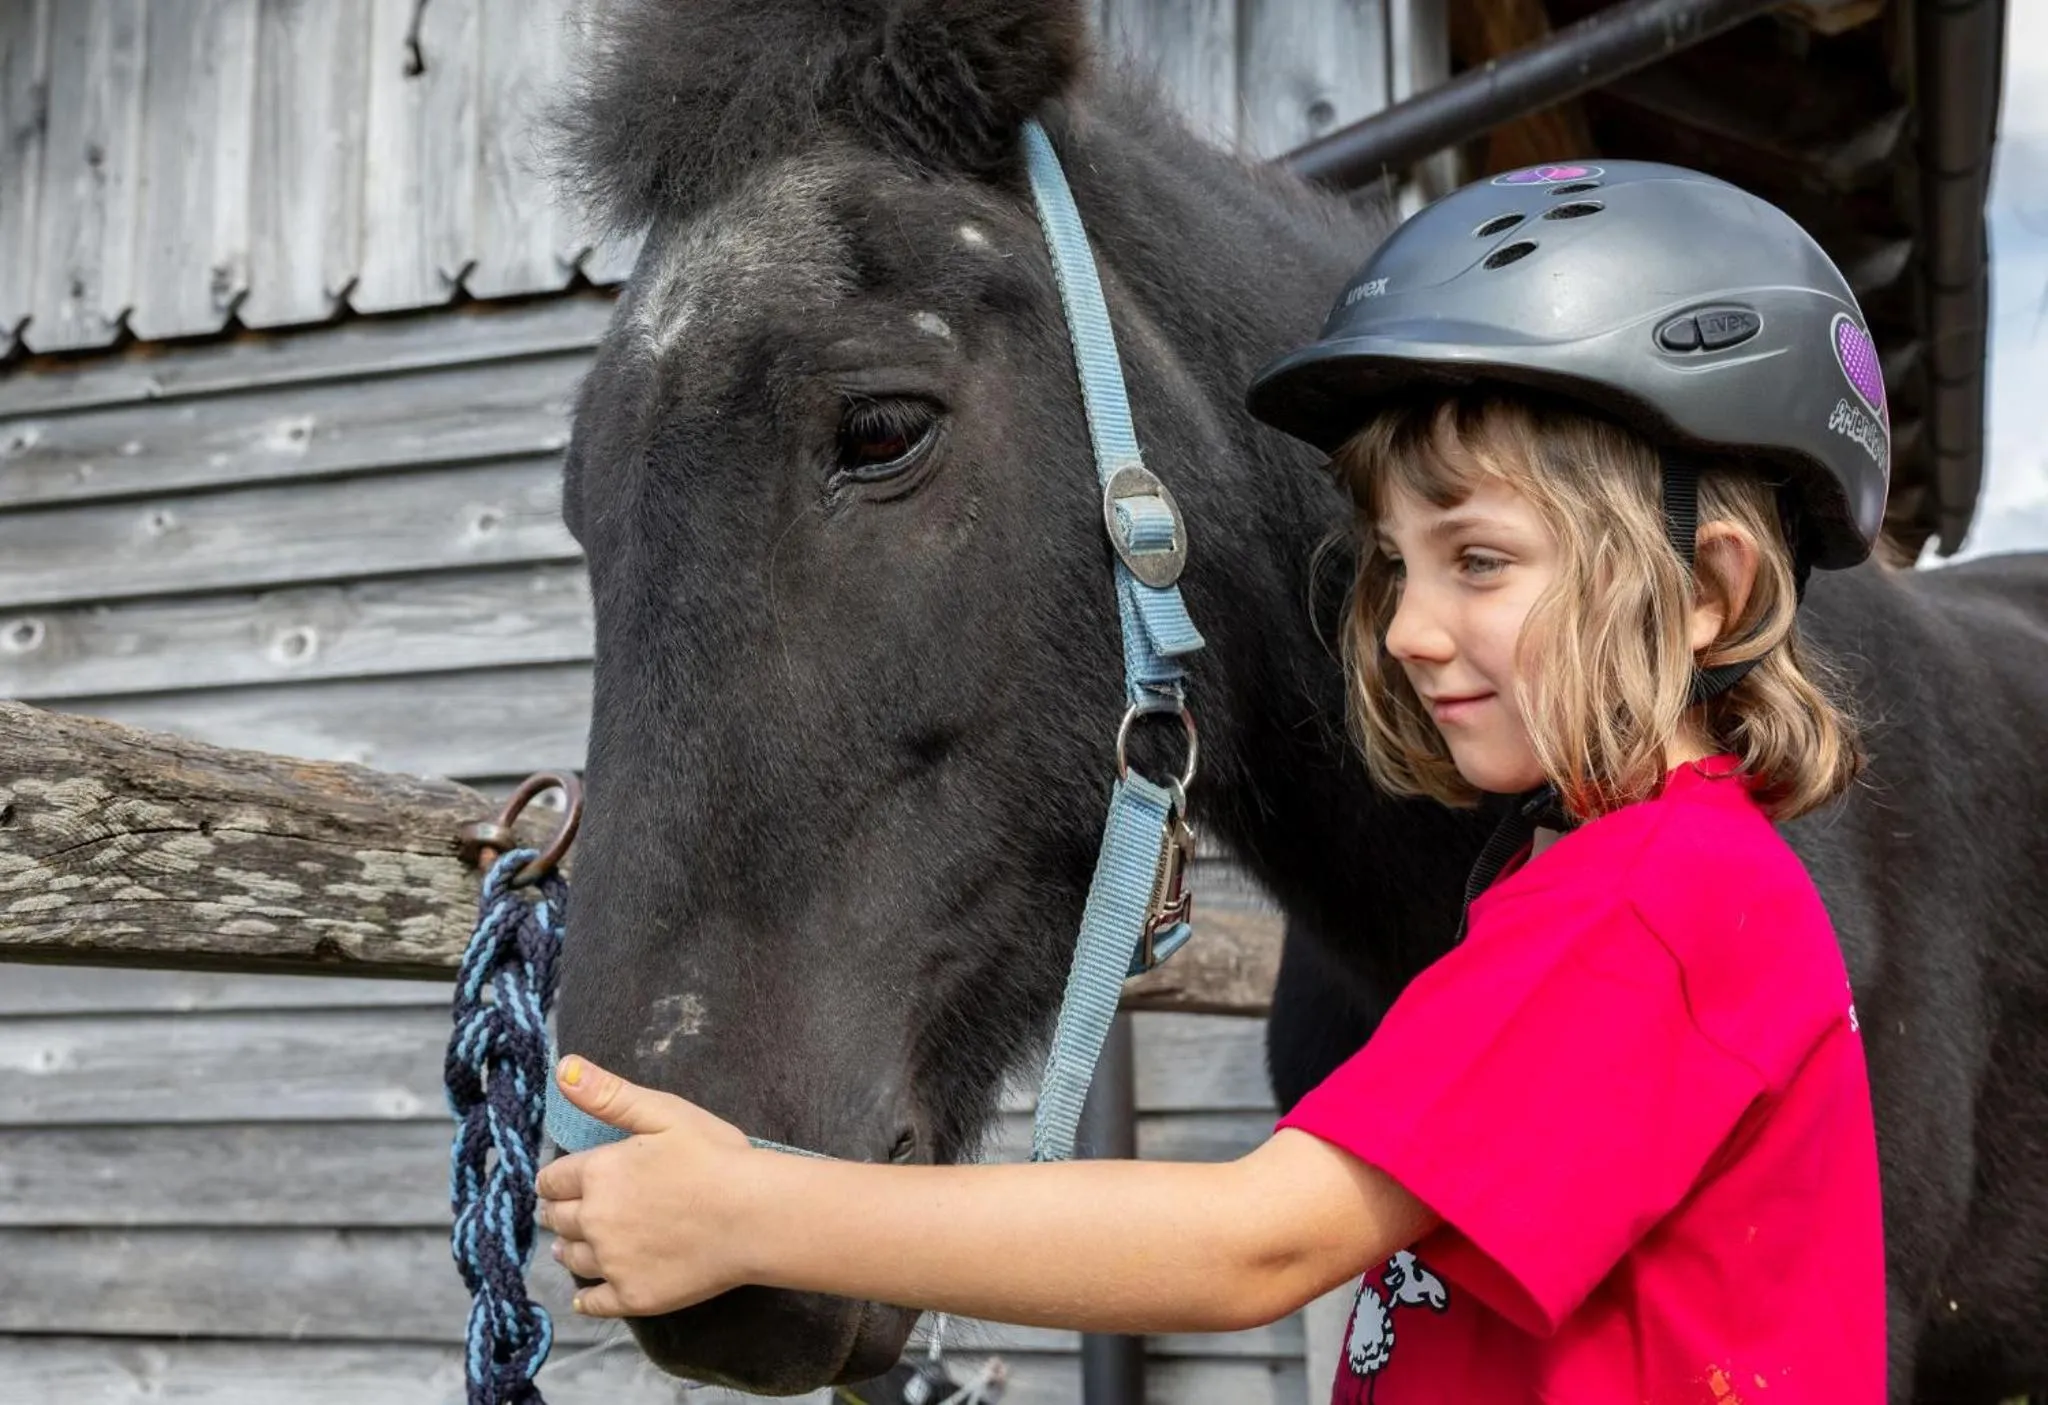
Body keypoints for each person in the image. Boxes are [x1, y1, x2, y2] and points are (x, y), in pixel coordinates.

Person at [535, 161, 1888, 1402]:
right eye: (1397, 567)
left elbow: (1255, 1244)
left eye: (1478, 562)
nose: (1410, 630)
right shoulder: (1618, 880)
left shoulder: (1653, 908)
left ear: (1708, 592)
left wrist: (756, 1211)